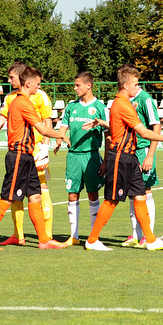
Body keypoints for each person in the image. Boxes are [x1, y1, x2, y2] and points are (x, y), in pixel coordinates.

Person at [84, 64, 163, 251]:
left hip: (130, 157)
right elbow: (143, 132)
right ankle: (92, 240)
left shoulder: (120, 103)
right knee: (112, 200)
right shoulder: (123, 104)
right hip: (120, 157)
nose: (137, 87)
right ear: (125, 86)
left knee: (140, 197)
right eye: (135, 84)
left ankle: (150, 240)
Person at [0, 67, 69, 250]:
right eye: (37, 83)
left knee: (35, 196)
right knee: (9, 197)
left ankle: (43, 240)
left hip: (27, 156)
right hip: (19, 155)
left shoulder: (21, 100)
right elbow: (42, 128)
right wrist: (61, 135)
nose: (39, 87)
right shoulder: (23, 102)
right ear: (28, 83)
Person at [55, 71, 108, 246]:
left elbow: (109, 135)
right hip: (73, 156)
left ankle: (94, 236)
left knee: (93, 194)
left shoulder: (100, 107)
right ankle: (74, 236)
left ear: (88, 85)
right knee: (72, 194)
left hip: (91, 156)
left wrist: (106, 160)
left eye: (78, 85)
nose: (75, 88)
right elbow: (63, 128)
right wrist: (59, 139)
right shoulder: (71, 107)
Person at [121, 78, 163, 248]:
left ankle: (148, 234)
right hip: (129, 151)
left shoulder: (145, 98)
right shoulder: (125, 99)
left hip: (143, 150)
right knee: (132, 192)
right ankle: (136, 234)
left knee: (145, 190)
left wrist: (150, 155)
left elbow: (156, 126)